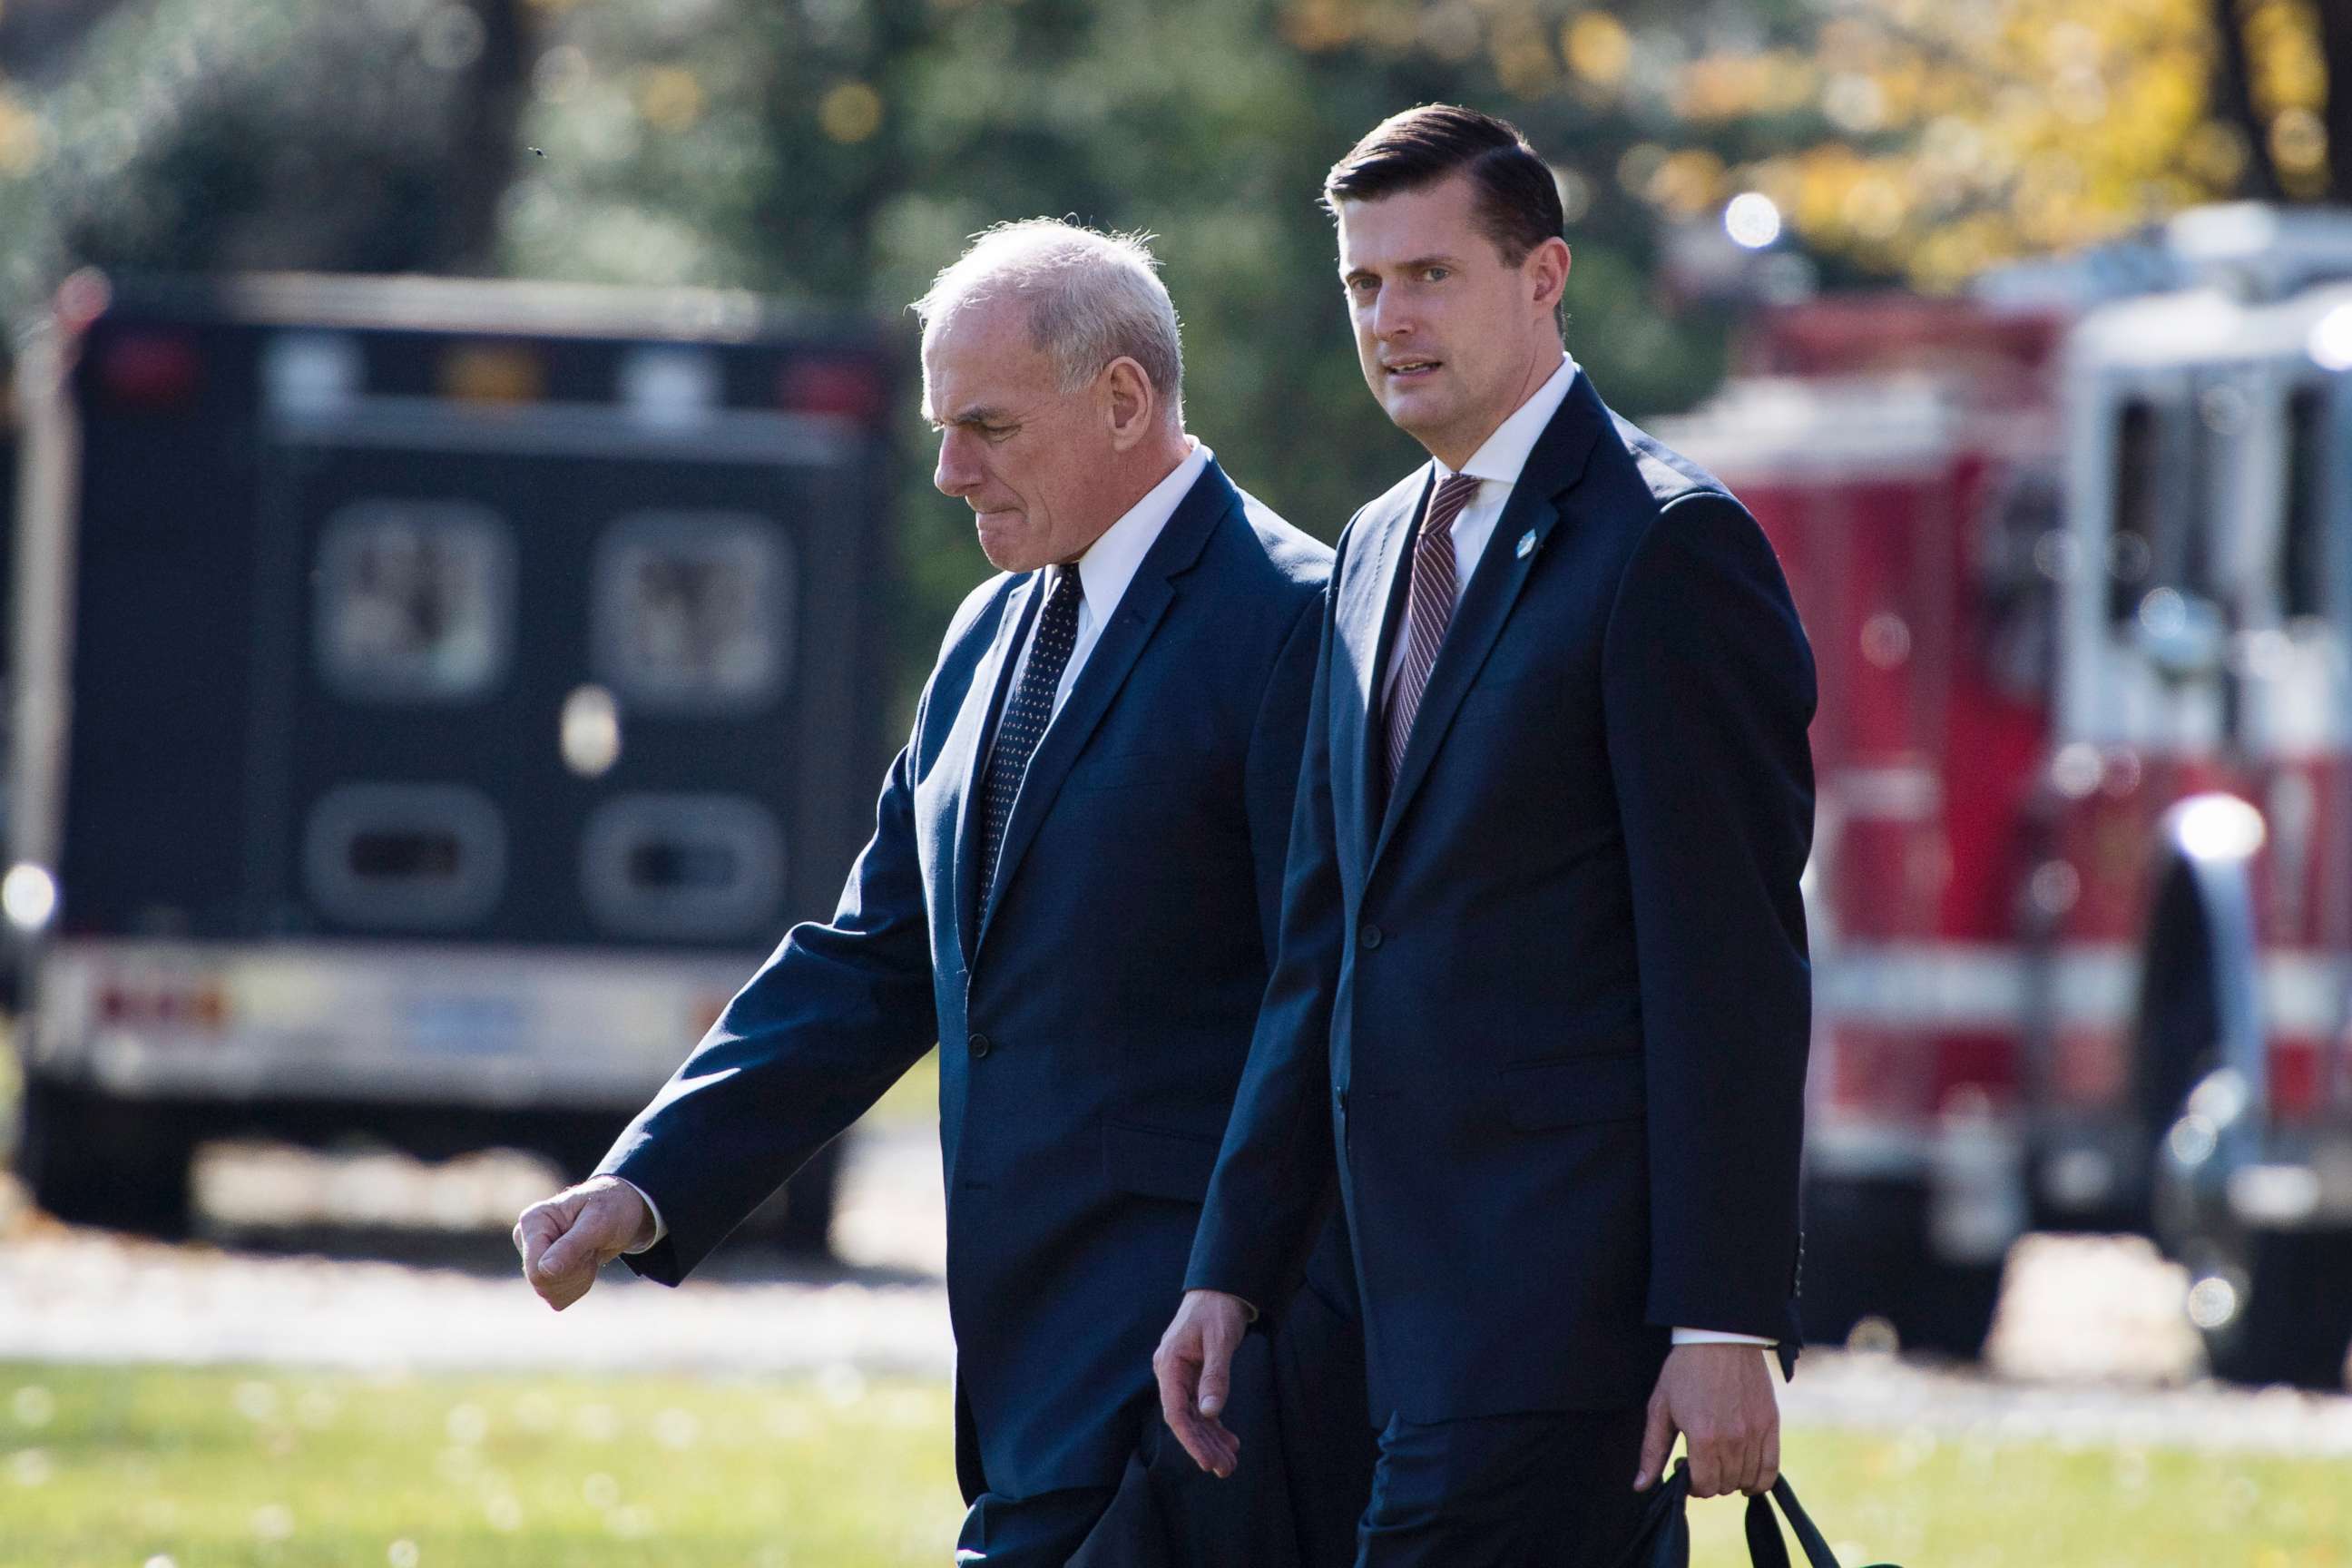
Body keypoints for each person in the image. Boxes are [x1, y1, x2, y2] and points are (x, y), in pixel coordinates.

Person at [514, 220, 1373, 1567]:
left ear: (1125, 401)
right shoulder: (988, 628)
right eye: (939, 424)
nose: (944, 468)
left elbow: (1328, 1016)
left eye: (985, 426)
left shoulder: (1295, 623)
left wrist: (1252, 1315)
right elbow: (875, 958)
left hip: (1201, 1385)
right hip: (1024, 1370)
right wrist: (645, 1185)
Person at [1153, 105, 1817, 1567]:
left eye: (1432, 275)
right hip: (1356, 1329)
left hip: (1560, 1335)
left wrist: (1725, 1320)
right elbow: (1324, 946)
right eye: (1364, 286)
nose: (1390, 319)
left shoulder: (1670, 549)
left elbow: (1732, 969)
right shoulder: (1378, 545)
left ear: (1544, 278)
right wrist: (1232, 1269)